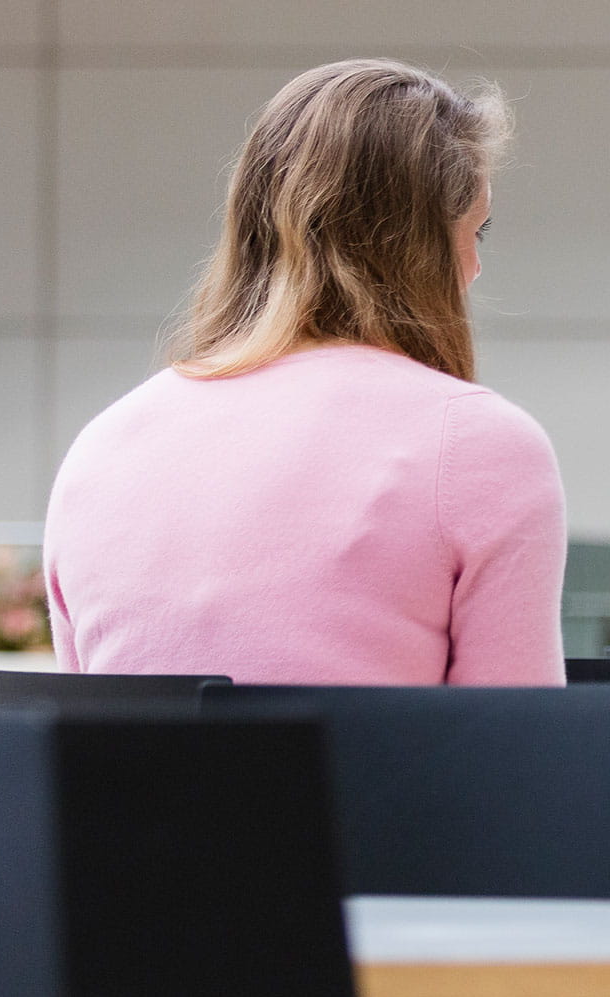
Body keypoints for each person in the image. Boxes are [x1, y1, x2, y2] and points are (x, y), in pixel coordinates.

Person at [42, 58, 566, 686]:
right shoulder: (480, 446)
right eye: (476, 231)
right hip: (369, 788)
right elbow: (518, 761)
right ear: (421, 243)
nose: (476, 267)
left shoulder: (102, 446)